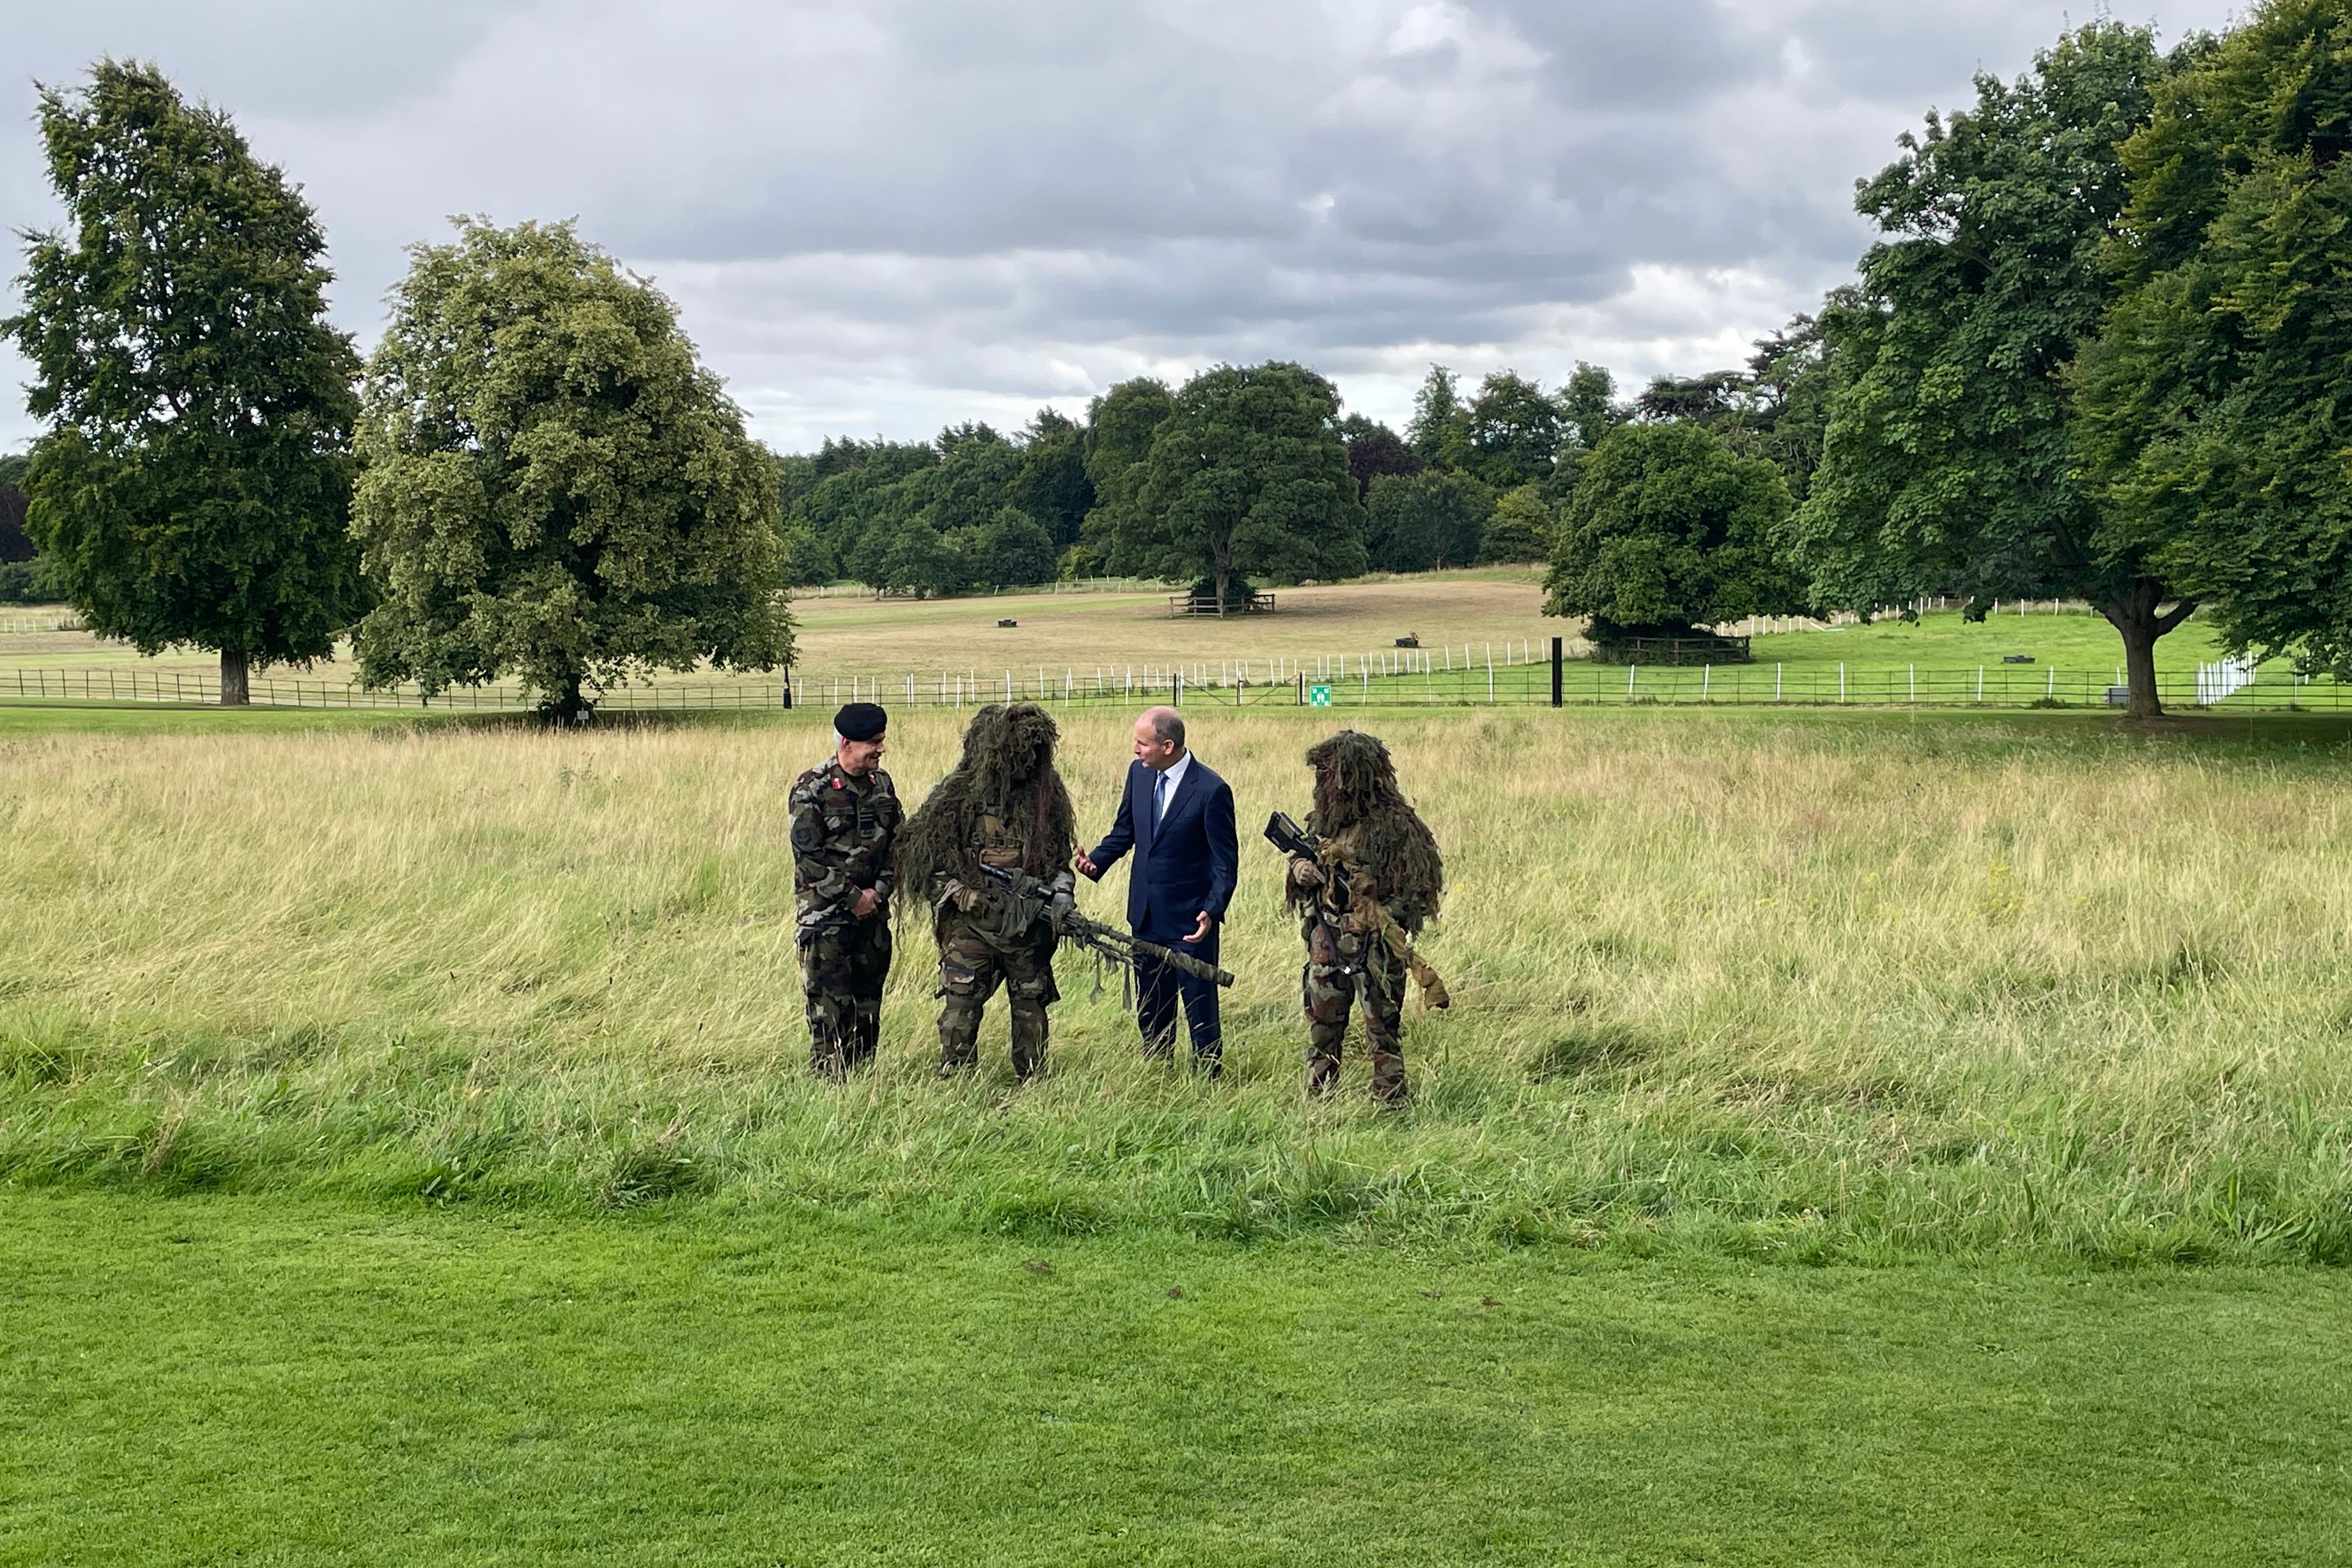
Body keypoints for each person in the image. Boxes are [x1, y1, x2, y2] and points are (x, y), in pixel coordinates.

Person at [895, 703, 1077, 1080]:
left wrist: (1062, 896)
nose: (1025, 767)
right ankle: (957, 1078)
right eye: (1017, 758)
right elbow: (918, 863)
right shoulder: (958, 799)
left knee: (1031, 1005)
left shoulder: (1047, 798)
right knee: (960, 1005)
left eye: (1033, 759)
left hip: (1028, 926)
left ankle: (1032, 1080)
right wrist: (960, 893)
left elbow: (1060, 861)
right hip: (971, 927)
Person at [1074, 706, 1237, 1076]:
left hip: (1190, 923)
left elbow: (1225, 863)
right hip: (1145, 915)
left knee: (1199, 1002)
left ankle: (1209, 1075)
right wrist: (1096, 863)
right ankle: (1157, 1070)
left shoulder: (1212, 790)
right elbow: (1125, 830)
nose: (1135, 750)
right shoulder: (1140, 774)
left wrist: (1212, 910)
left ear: (1168, 745)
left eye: (1141, 743)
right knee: (1152, 1002)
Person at [1283, 730, 1444, 1105]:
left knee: (1382, 1029)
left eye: (1334, 775)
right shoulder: (1323, 822)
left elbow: (1420, 888)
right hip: (1328, 936)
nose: (1327, 784)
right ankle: (1320, 1098)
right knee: (1323, 1027)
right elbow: (1301, 865)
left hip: (1375, 945)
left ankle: (1391, 1101)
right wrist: (1300, 871)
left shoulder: (1397, 828)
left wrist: (1379, 913)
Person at [789, 701, 901, 1077]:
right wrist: (855, 898)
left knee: (868, 1007)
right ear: (847, 743)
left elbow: (898, 847)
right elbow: (809, 859)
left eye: (882, 741)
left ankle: (862, 1082)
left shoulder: (882, 785)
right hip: (826, 919)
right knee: (829, 1010)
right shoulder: (812, 788)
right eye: (874, 743)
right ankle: (828, 1086)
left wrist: (878, 893)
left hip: (873, 918)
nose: (881, 750)